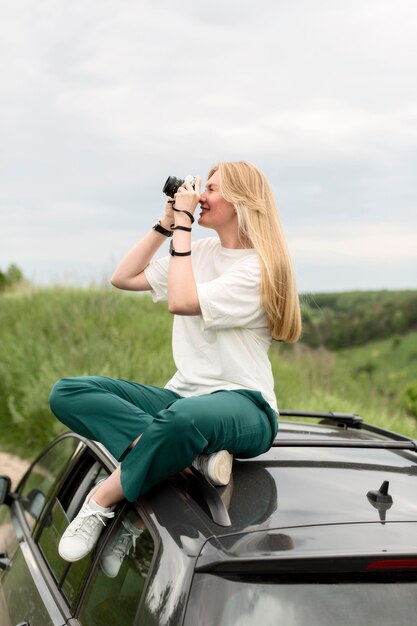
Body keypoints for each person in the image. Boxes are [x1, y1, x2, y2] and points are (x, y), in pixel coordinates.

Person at [49, 160, 302, 563]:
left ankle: (102, 500)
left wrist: (184, 226)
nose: (201, 196)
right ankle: (185, 457)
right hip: (181, 400)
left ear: (242, 201)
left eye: (212, 189)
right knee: (68, 392)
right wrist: (165, 224)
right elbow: (124, 277)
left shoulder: (259, 269)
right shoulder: (198, 252)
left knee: (184, 420)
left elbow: (182, 301)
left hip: (245, 405)